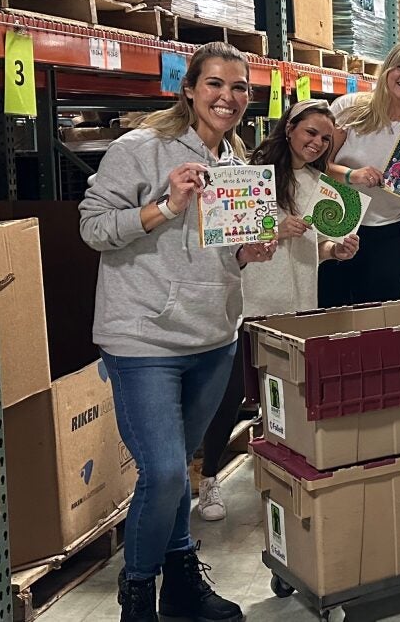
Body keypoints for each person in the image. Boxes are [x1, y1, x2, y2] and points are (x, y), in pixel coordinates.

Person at [79, 41, 275, 622]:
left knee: (179, 467)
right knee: (163, 473)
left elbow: (219, 255)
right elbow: (93, 229)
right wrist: (166, 206)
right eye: (215, 84)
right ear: (189, 88)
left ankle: (183, 582)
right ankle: (138, 596)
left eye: (239, 88)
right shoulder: (140, 149)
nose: (229, 97)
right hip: (144, 339)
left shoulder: (237, 166)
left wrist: (249, 250)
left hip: (212, 338)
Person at [196, 99, 359, 522]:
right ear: (289, 129)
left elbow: (317, 246)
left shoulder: (321, 185)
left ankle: (280, 472)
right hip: (250, 302)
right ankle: (208, 478)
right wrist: (273, 226)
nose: (317, 143)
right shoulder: (248, 176)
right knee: (229, 395)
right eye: (310, 133)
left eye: (325, 138)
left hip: (299, 305)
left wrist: (336, 250)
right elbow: (224, 235)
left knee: (285, 396)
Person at [320, 40, 400, 306]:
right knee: (330, 313)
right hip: (337, 224)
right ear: (387, 70)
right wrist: (353, 175)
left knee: (378, 319)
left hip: (387, 237)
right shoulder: (349, 110)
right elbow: (317, 165)